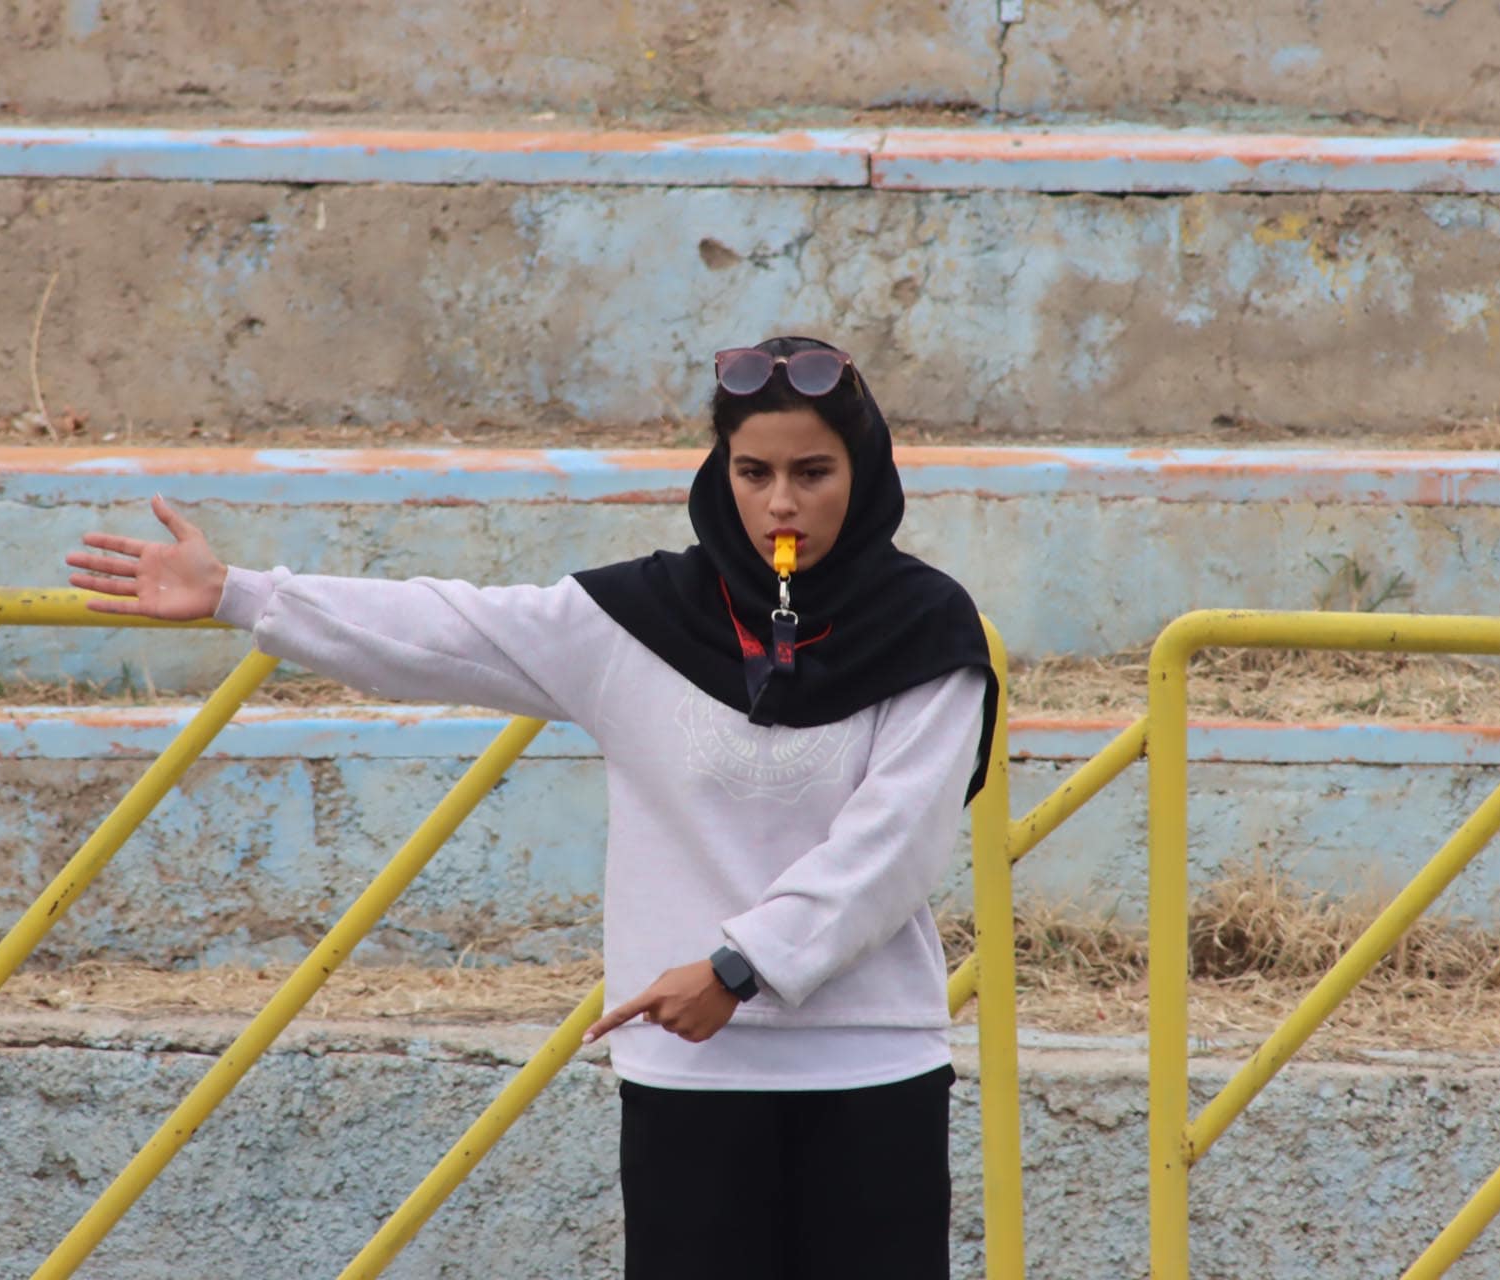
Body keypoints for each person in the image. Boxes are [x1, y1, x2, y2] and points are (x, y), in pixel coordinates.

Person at [64, 335, 999, 1279]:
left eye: (813, 473)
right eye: (754, 472)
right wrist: (239, 594)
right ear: (722, 473)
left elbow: (895, 846)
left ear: (863, 472)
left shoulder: (925, 630)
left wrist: (739, 967)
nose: (782, 504)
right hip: (689, 1072)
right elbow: (445, 630)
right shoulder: (643, 620)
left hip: (871, 1067)